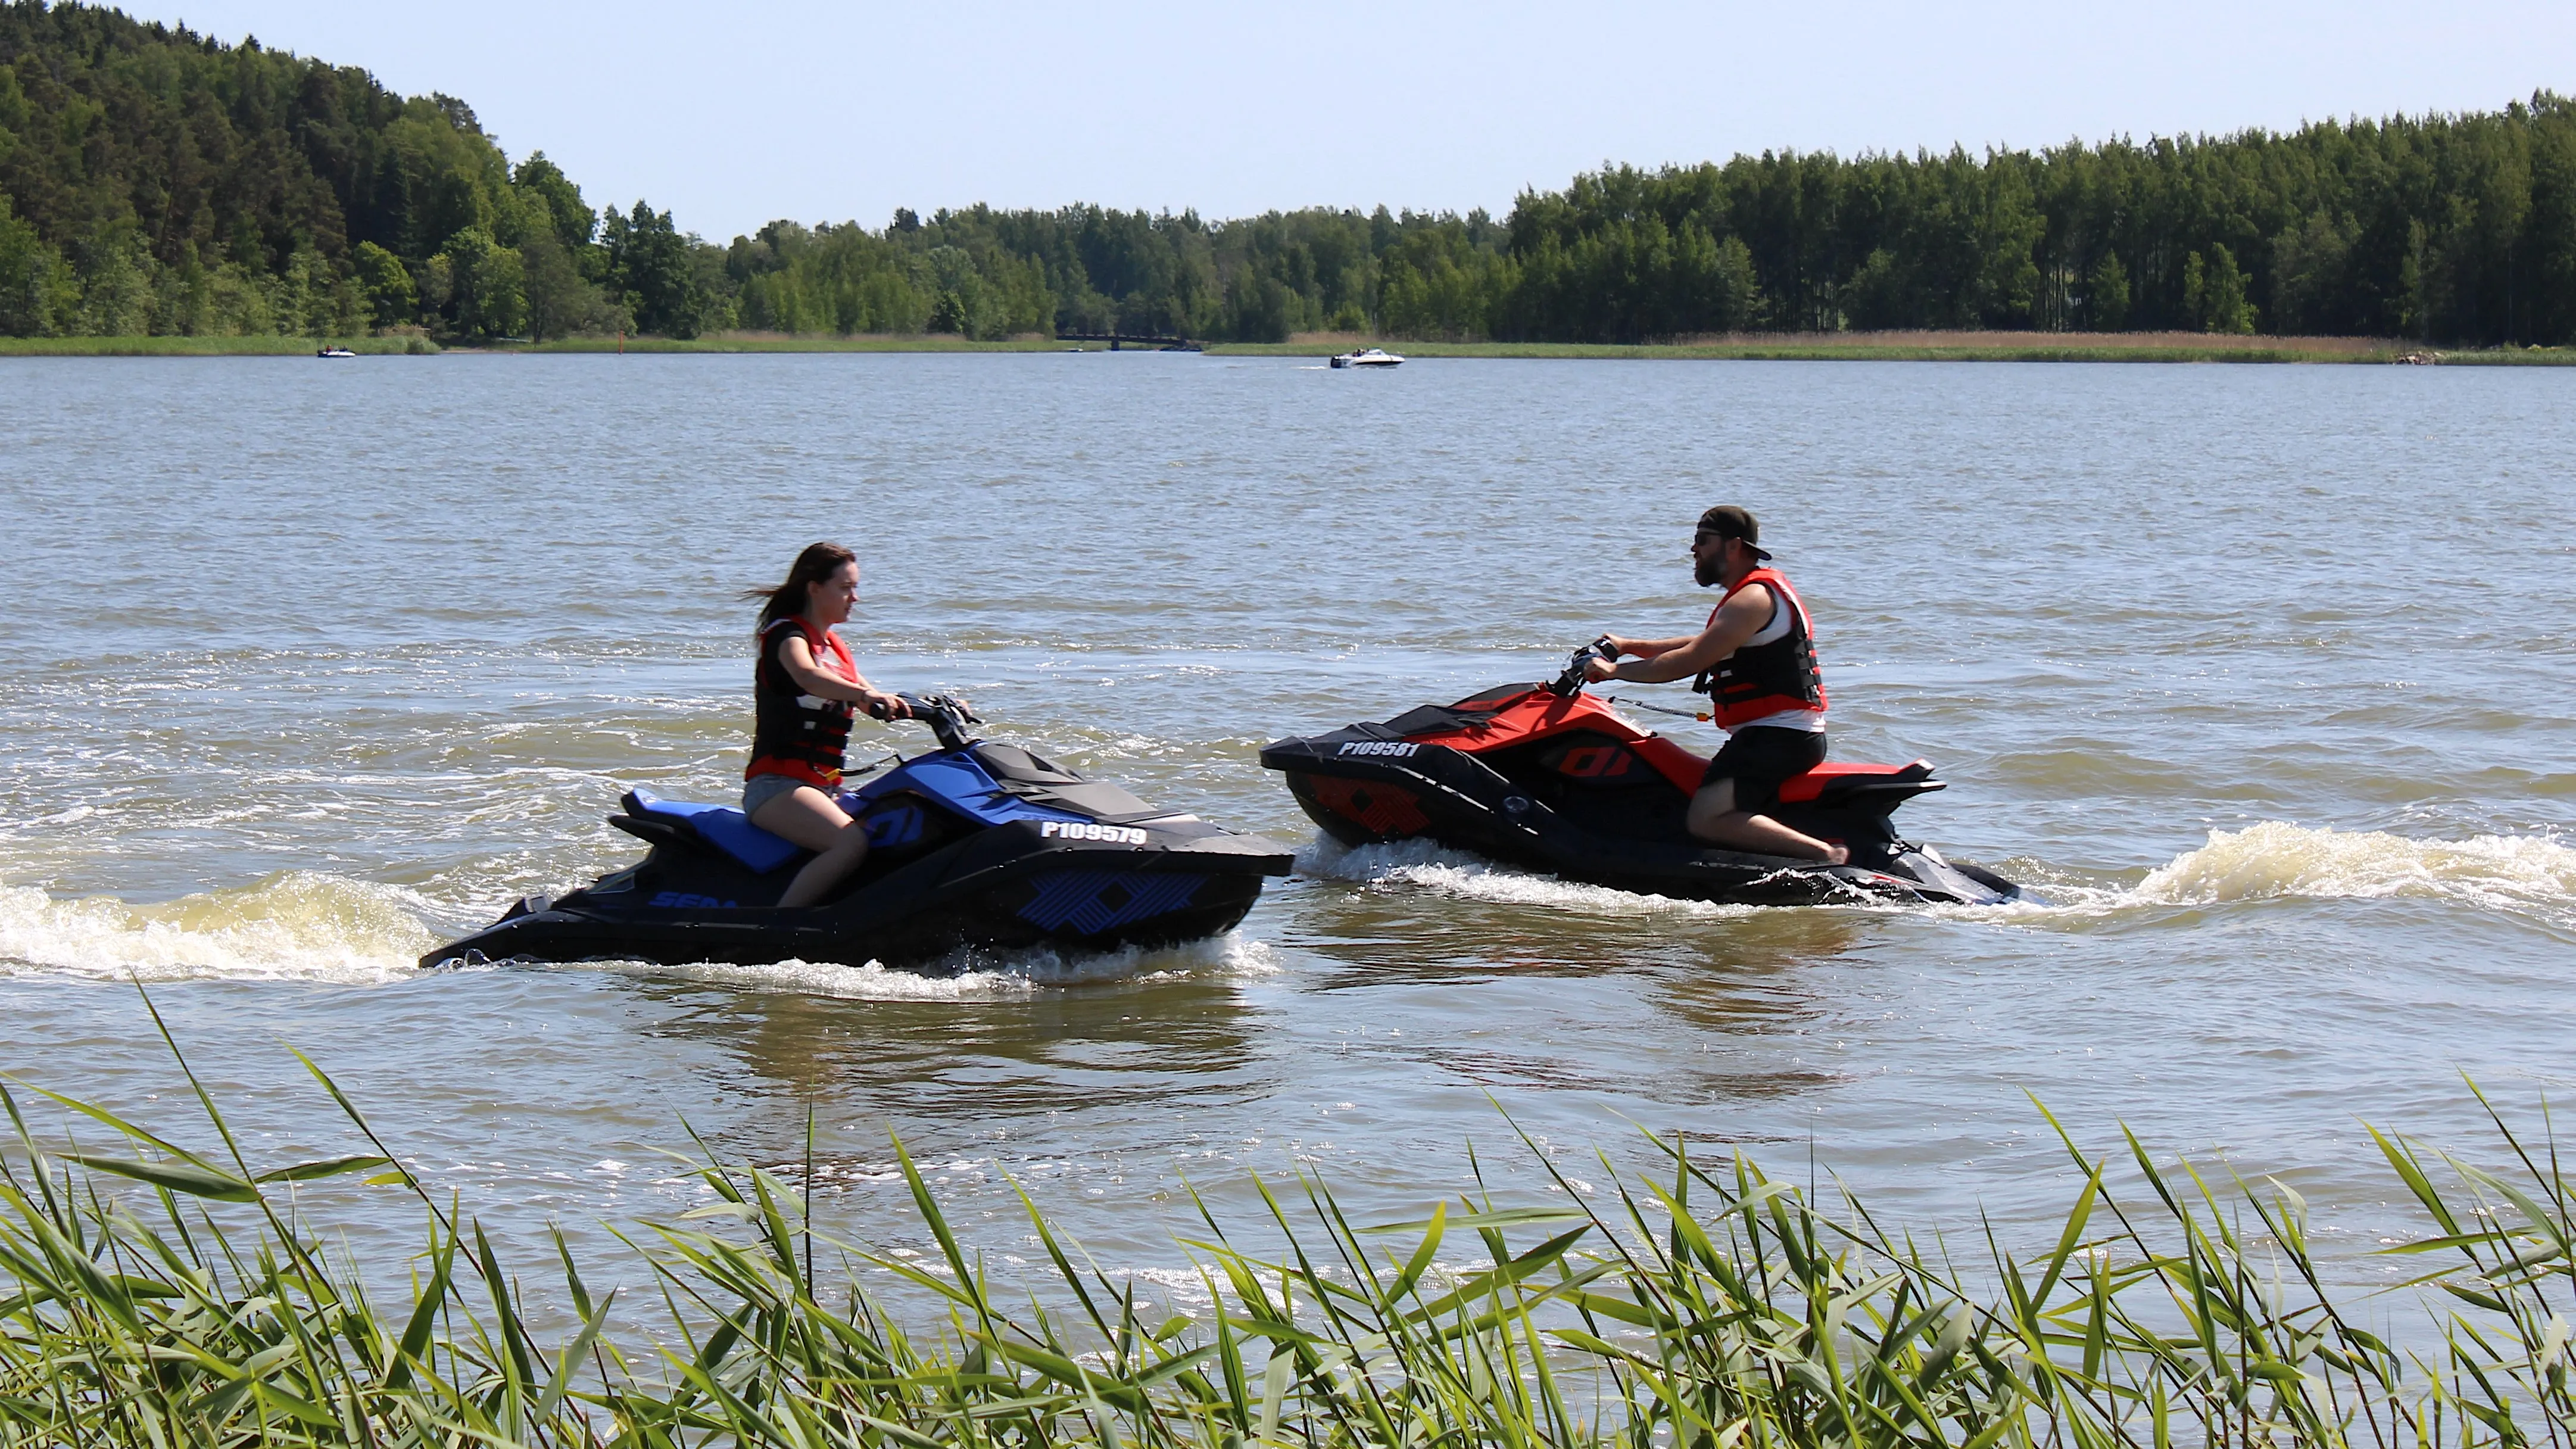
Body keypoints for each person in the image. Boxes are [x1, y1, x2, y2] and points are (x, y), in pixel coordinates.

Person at [1584, 506, 1847, 864]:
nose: (1694, 550)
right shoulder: (1751, 595)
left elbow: (1692, 659)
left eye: (1702, 541)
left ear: (1734, 546)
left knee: (1706, 818)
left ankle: (1826, 856)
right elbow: (1705, 642)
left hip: (1778, 739)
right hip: (1776, 736)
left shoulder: (1752, 599)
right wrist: (1630, 646)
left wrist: (1615, 673)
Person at [740, 543, 912, 908]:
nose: (856, 598)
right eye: (846, 588)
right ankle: (782, 928)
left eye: (856, 588)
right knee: (849, 842)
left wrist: (929, 706)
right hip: (776, 787)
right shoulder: (787, 638)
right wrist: (864, 696)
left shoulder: (835, 648)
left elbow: (869, 694)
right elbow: (807, 676)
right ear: (814, 588)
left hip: (823, 788)